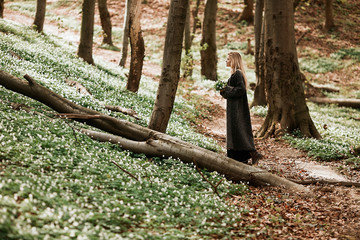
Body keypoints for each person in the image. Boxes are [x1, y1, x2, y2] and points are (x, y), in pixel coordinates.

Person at [220, 51, 263, 165]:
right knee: (236, 131)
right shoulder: (234, 74)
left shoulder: (238, 74)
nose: (226, 61)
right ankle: (240, 157)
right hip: (234, 108)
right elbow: (234, 91)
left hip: (237, 109)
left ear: (234, 60)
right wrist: (224, 91)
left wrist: (226, 89)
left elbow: (240, 90)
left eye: (228, 59)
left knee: (238, 131)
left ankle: (247, 155)